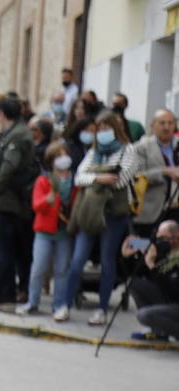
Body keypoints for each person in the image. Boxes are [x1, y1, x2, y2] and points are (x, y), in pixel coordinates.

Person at [56, 111, 136, 326]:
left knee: (107, 261)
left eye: (106, 129)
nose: (102, 134)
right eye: (99, 130)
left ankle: (102, 308)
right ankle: (65, 304)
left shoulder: (128, 150)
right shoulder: (94, 151)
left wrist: (95, 177)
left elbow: (121, 180)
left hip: (113, 214)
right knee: (78, 259)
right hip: (90, 212)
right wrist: (100, 177)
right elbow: (80, 177)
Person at [0, 97, 37, 306]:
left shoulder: (17, 135)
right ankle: (7, 289)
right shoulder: (15, 132)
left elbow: (9, 166)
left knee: (2, 249)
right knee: (11, 249)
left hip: (11, 199)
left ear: (2, 114)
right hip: (13, 198)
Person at [19, 141, 77, 317]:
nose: (62, 159)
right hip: (44, 231)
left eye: (64, 154)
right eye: (58, 155)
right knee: (38, 268)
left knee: (61, 270)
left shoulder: (75, 181)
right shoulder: (44, 180)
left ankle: (59, 304)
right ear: (51, 160)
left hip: (64, 232)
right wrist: (47, 200)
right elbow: (36, 205)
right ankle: (33, 302)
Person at [130, 109, 179, 239]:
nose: (167, 127)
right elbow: (135, 176)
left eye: (170, 123)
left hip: (175, 208)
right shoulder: (141, 146)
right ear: (152, 125)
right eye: (162, 123)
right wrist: (165, 171)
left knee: (171, 250)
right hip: (150, 211)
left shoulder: (177, 144)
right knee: (143, 247)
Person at [127, 220, 179, 340]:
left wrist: (151, 264)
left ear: (176, 237)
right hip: (168, 298)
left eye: (163, 238)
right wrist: (129, 251)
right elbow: (132, 245)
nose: (160, 241)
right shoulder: (163, 247)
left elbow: (172, 286)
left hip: (175, 299)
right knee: (134, 283)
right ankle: (158, 332)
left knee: (144, 315)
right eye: (158, 237)